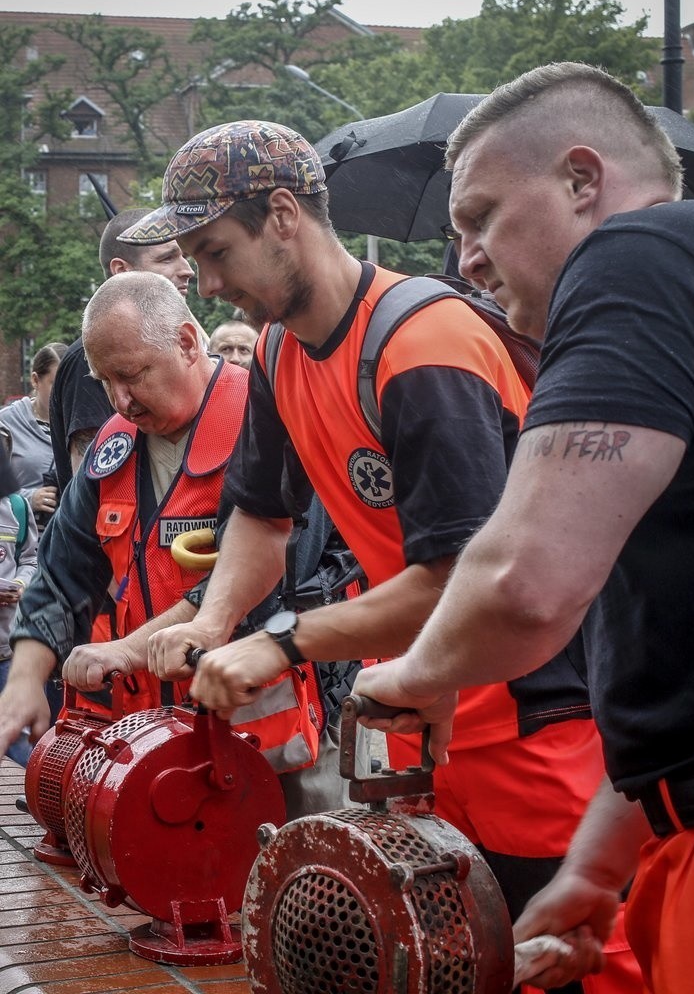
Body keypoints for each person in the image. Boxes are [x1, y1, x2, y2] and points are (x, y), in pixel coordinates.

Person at [120, 119, 641, 989]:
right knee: (450, 958)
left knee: (583, 956)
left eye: (215, 251)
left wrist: (282, 641)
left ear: (283, 213)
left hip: (535, 716)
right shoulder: (285, 351)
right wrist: (213, 623)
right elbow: (260, 513)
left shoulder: (424, 346)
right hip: (421, 709)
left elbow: (459, 579)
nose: (207, 284)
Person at [351, 62, 694, 993]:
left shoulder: (637, 254)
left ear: (583, 181)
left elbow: (527, 582)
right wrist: (595, 869)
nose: (464, 256)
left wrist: (409, 678)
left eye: (481, 216)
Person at [0, 271, 249, 748]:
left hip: (258, 741)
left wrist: (128, 649)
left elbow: (263, 579)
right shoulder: (115, 443)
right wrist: (27, 677)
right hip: (150, 741)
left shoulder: (261, 420)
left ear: (186, 343)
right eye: (105, 382)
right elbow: (62, 568)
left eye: (132, 376)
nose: (120, 401)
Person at [49, 208, 198, 494]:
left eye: (184, 256)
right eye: (167, 257)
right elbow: (94, 486)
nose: (187, 270)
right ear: (121, 270)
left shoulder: (172, 342)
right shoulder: (94, 356)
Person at [0, 426, 38, 766]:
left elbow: (31, 558)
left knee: (17, 736)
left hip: (7, 647)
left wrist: (22, 585)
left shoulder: (17, 507)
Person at [0, 342, 67, 532]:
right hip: (20, 543)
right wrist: (30, 498)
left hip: (66, 544)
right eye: (56, 384)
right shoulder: (7, 423)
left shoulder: (80, 426)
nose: (64, 393)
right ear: (35, 380)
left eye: (69, 384)